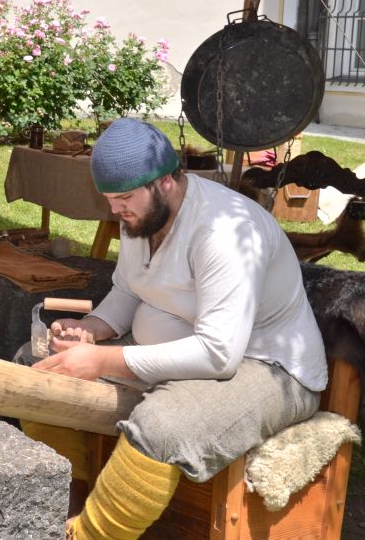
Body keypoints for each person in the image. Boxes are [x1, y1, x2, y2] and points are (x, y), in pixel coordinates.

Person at [27, 118, 327, 539]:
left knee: (162, 424)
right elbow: (128, 289)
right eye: (110, 199)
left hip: (269, 367)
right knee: (40, 368)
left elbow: (219, 355)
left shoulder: (225, 232)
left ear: (165, 181)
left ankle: (89, 535)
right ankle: (66, 505)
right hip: (192, 352)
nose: (115, 210)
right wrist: (91, 329)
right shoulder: (141, 216)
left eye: (124, 198)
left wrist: (102, 360)